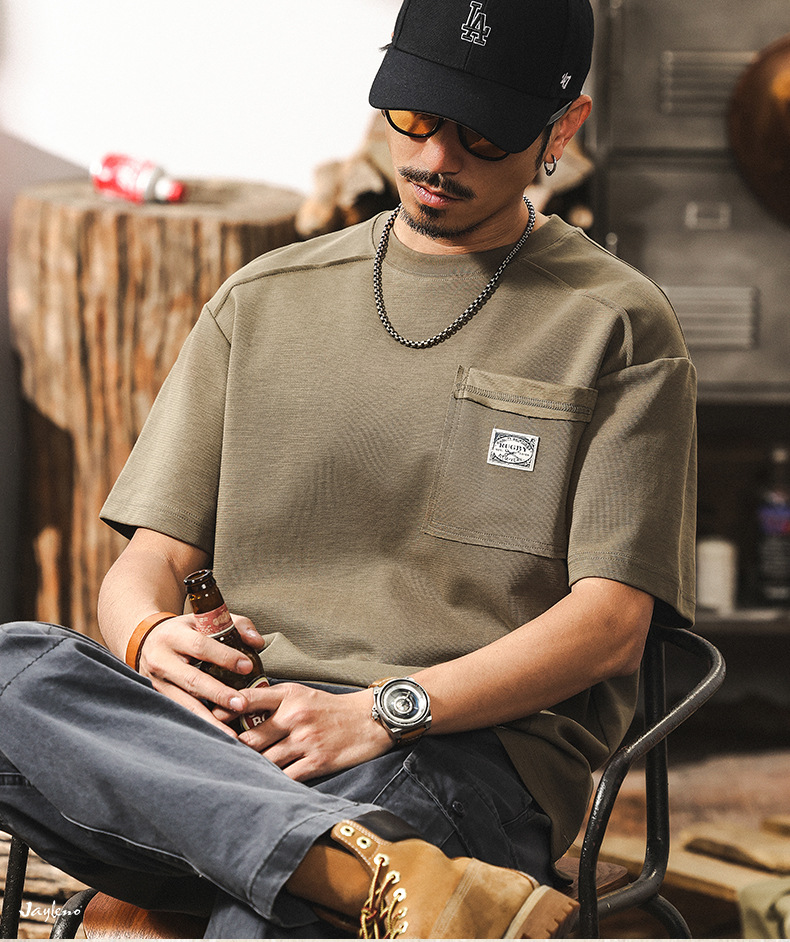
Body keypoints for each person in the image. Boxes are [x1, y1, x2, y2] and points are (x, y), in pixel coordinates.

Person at [0, 0, 697, 937]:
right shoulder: (262, 301)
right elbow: (150, 561)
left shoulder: (617, 325)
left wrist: (383, 711)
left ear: (562, 128)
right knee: (13, 668)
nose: (436, 158)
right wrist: (146, 639)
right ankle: (365, 873)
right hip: (230, 736)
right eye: (415, 115)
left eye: (484, 134)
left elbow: (611, 627)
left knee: (251, 921)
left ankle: (281, 858)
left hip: (456, 748)